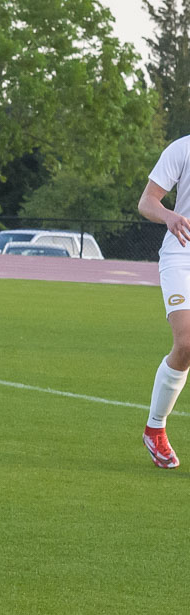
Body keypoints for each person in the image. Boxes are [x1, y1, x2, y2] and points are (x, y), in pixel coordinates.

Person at [137, 135, 190, 468]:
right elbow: (147, 202)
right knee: (186, 343)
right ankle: (154, 429)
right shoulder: (182, 149)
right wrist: (170, 217)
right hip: (181, 253)